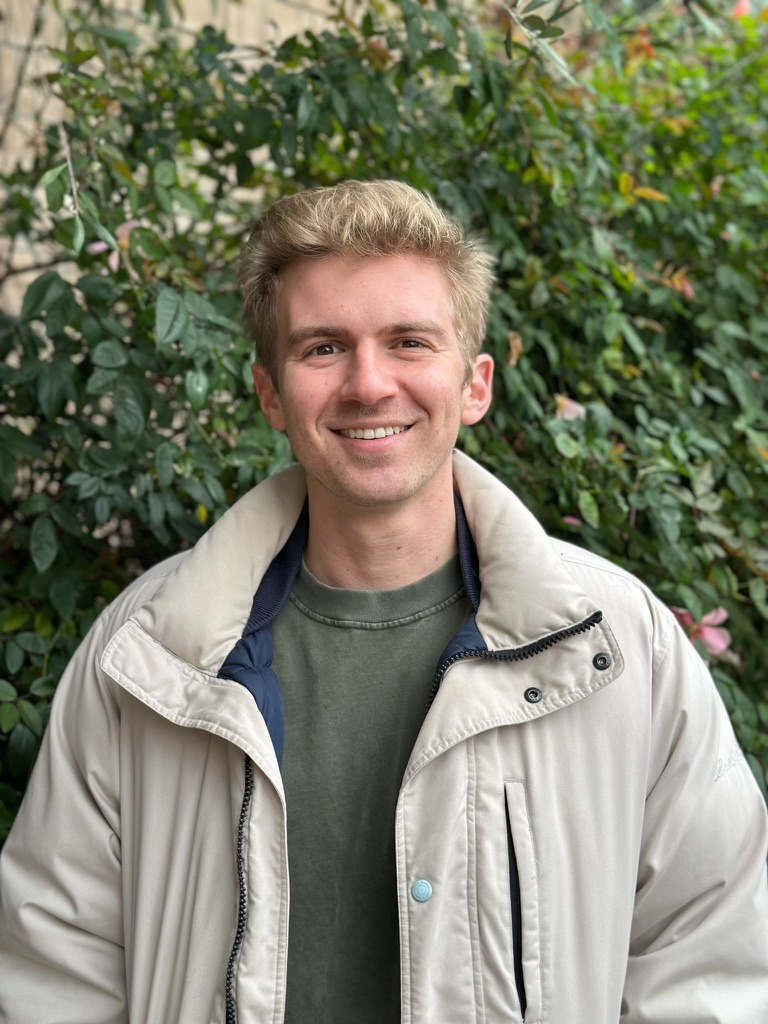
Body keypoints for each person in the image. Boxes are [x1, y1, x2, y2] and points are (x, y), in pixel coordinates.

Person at [0, 179, 766, 1024]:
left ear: (474, 385)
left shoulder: (620, 650)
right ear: (270, 393)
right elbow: (51, 978)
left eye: (409, 342)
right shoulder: (149, 653)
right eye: (323, 348)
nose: (369, 384)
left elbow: (712, 960)